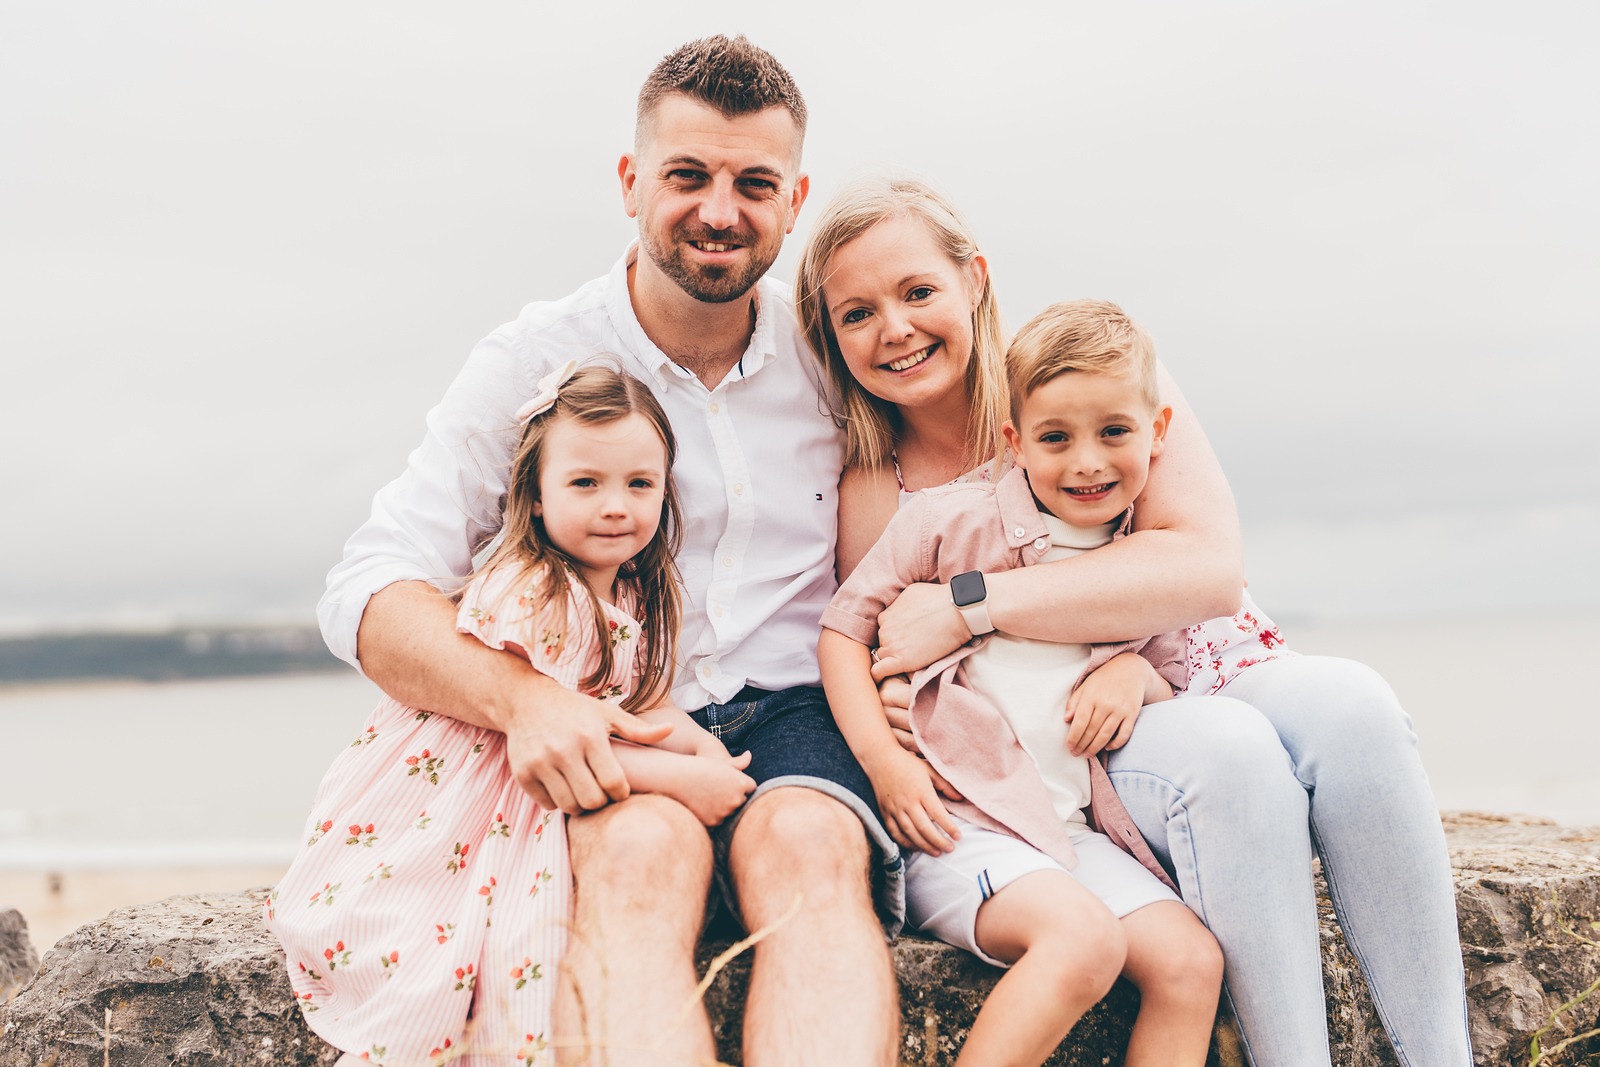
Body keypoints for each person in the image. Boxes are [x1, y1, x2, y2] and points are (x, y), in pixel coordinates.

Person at [314, 37, 900, 1067]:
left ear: (794, 197)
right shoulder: (536, 359)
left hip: (803, 708)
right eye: (688, 175)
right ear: (631, 182)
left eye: (753, 184)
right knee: (636, 860)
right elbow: (367, 588)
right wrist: (532, 702)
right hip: (615, 712)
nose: (720, 210)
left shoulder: (838, 352)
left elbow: (1003, 453)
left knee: (810, 849)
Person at [796, 175, 1472, 1066]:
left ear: (976, 281)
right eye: (858, 313)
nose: (898, 327)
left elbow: (1206, 573)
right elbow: (886, 652)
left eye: (920, 292)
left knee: (1359, 705)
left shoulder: (1084, 374)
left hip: (1189, 657)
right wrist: (895, 728)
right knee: (1232, 755)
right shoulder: (882, 487)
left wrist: (973, 606)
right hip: (1087, 737)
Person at [268, 366, 758, 1064]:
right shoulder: (536, 593)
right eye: (585, 483)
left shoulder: (630, 592)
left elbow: (629, 706)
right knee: (501, 945)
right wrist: (684, 781)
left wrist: (696, 746)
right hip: (473, 797)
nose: (615, 505)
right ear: (534, 495)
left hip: (520, 795)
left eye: (639, 484)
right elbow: (565, 742)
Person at [819, 301, 1224, 1067]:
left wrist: (1134, 674)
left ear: (1158, 432)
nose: (1087, 462)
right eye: (1055, 438)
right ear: (1016, 442)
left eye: (1114, 432)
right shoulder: (950, 521)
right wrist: (883, 759)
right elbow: (843, 631)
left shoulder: (1142, 560)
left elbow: (1174, 675)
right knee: (1083, 941)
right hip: (954, 822)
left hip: (1062, 830)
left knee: (1190, 964)